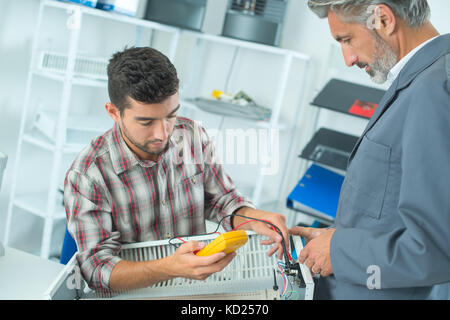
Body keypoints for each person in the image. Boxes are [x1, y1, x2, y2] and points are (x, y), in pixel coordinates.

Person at [64, 46, 289, 294]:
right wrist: (168, 268)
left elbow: (220, 199)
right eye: (146, 122)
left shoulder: (191, 135)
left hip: (196, 290)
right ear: (114, 112)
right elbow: (96, 270)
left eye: (171, 115)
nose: (163, 134)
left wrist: (250, 217)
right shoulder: (88, 176)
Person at [289, 0, 450, 299]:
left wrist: (339, 250)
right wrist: (337, 238)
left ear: (384, 19)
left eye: (346, 40)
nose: (348, 58)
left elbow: (435, 247)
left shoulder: (433, 90)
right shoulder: (419, 78)